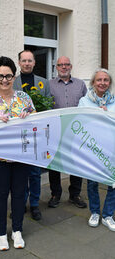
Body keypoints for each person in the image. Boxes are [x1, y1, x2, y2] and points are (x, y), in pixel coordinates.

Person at [0, 56, 35, 251]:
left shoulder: (25, 98)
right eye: (0, 76)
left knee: (19, 194)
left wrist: (29, 118)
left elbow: (37, 124)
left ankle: (17, 230)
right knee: (0, 195)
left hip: (21, 156)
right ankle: (1, 233)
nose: (4, 80)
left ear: (14, 76)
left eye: (8, 76)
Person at [13, 50, 50, 220]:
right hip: (18, 135)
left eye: (30, 60)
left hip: (37, 136)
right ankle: (20, 204)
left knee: (35, 173)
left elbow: (48, 106)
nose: (27, 63)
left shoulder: (43, 83)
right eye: (24, 60)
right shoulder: (13, 82)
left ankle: (34, 204)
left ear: (34, 63)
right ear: (19, 63)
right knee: (19, 175)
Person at [48, 56, 87, 208]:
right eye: (60, 65)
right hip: (55, 131)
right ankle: (55, 193)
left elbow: (86, 104)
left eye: (66, 65)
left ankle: (75, 194)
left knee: (76, 163)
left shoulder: (80, 84)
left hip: (76, 131)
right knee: (55, 164)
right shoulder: (48, 85)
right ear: (56, 67)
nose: (63, 67)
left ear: (71, 66)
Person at [78, 68, 115, 231]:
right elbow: (79, 123)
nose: (102, 83)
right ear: (93, 82)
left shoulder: (114, 101)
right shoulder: (84, 102)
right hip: (92, 148)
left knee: (113, 183)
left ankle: (107, 215)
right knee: (92, 182)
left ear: (110, 83)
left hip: (111, 148)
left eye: (106, 80)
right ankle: (94, 212)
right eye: (99, 80)